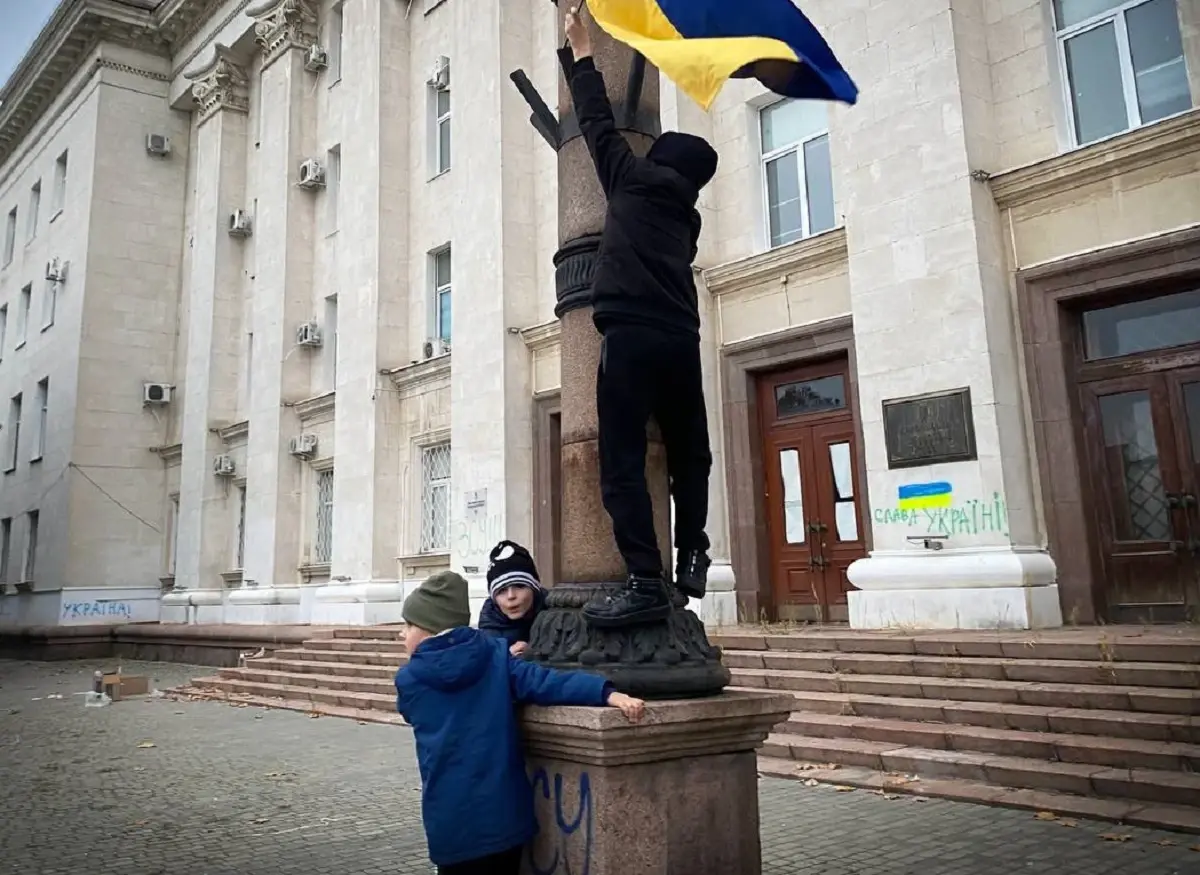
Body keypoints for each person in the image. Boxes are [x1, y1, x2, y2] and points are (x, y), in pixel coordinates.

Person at [562, 6, 718, 629]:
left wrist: (578, 51)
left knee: (621, 460)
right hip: (681, 338)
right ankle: (695, 551)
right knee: (691, 453)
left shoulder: (629, 180)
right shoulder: (689, 216)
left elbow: (597, 121)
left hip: (628, 337)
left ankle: (643, 580)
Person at [396, 570, 645, 875]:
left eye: (408, 626)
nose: (402, 634)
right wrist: (607, 693)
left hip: (450, 818)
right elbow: (547, 682)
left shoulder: (411, 679)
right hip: (504, 817)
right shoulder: (496, 657)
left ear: (429, 630)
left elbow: (409, 712)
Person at [478, 540, 547, 656]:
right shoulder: (489, 626)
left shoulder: (554, 611)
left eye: (519, 586)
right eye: (501, 591)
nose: (511, 596)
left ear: (535, 589)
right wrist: (505, 657)